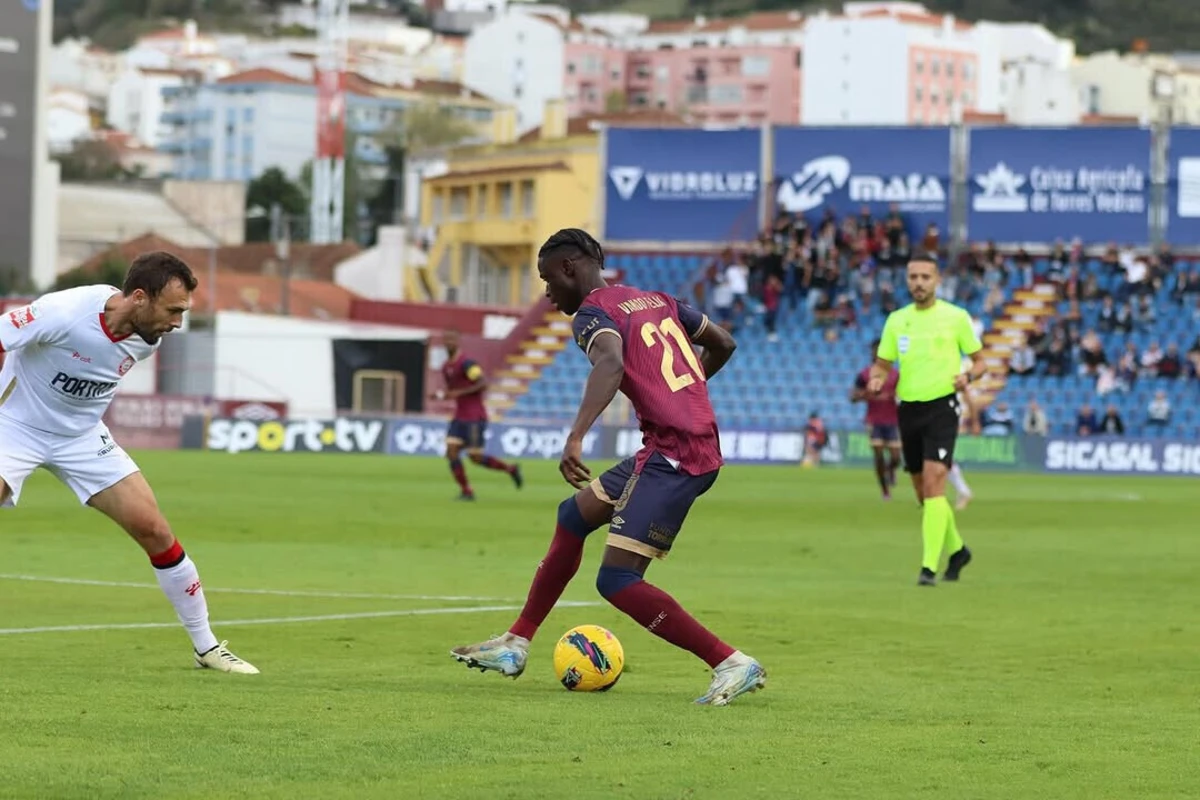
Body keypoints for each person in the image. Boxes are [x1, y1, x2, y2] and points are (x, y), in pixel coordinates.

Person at [450, 228, 765, 706]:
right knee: (572, 516)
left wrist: (576, 435)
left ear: (570, 268)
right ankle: (515, 644)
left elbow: (612, 362)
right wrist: (687, 392)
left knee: (616, 580)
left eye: (547, 278)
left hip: (675, 456)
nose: (548, 292)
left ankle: (731, 662)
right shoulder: (658, 300)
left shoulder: (593, 315)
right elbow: (724, 343)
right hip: (674, 444)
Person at [0, 252, 257, 673]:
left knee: (155, 530)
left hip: (82, 438)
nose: (178, 323)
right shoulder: (63, 312)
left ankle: (207, 648)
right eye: (173, 310)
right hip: (14, 427)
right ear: (139, 297)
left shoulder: (147, 337)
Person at [868, 259, 985, 587]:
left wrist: (968, 376)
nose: (919, 282)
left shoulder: (956, 317)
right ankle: (958, 550)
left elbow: (981, 363)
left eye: (925, 277)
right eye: (914, 277)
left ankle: (928, 568)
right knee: (924, 493)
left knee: (935, 483)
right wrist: (877, 380)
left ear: (937, 280)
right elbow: (882, 365)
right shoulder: (897, 320)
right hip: (908, 409)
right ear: (907, 281)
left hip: (943, 406)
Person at [431, 329, 522, 500]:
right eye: (447, 339)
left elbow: (482, 384)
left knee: (476, 457)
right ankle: (467, 491)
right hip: (459, 417)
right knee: (451, 452)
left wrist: (459, 393)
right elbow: (453, 390)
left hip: (474, 417)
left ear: (457, 341)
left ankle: (511, 469)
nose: (449, 342)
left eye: (452, 339)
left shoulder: (467, 364)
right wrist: (440, 395)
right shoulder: (446, 367)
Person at [851, 340, 901, 499]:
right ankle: (885, 490)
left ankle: (890, 470)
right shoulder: (864, 375)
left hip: (892, 420)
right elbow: (853, 397)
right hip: (874, 420)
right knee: (878, 455)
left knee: (895, 457)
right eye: (875, 350)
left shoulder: (896, 375)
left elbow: (903, 395)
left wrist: (895, 397)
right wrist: (867, 394)